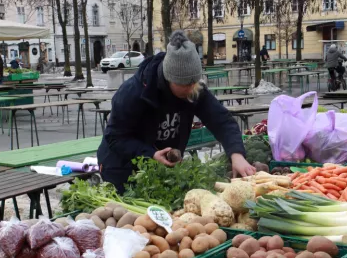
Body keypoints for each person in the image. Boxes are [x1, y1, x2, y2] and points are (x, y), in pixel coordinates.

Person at [98, 30, 256, 191]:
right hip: (120, 168)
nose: (191, 89)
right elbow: (115, 137)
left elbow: (221, 120)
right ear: (169, 78)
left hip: (159, 169)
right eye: (185, 84)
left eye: (194, 82)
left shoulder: (193, 89)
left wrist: (236, 154)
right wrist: (150, 154)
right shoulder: (133, 92)